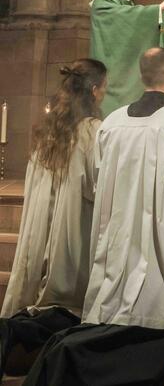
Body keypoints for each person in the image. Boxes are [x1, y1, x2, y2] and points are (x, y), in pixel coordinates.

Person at [25, 48, 164, 385]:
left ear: (142, 77)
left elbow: (100, 181)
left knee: (118, 308)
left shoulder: (112, 123)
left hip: (119, 236)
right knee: (160, 310)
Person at [0, 60, 106, 376]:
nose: (104, 94)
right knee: (67, 301)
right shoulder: (93, 131)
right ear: (95, 90)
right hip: (73, 228)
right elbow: (99, 185)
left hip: (42, 227)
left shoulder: (48, 130)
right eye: (104, 88)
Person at [88, 0, 164, 116]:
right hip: (111, 71)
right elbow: (126, 21)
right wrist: (157, 9)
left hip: (125, 70)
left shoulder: (125, 3)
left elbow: (130, 26)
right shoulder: (103, 3)